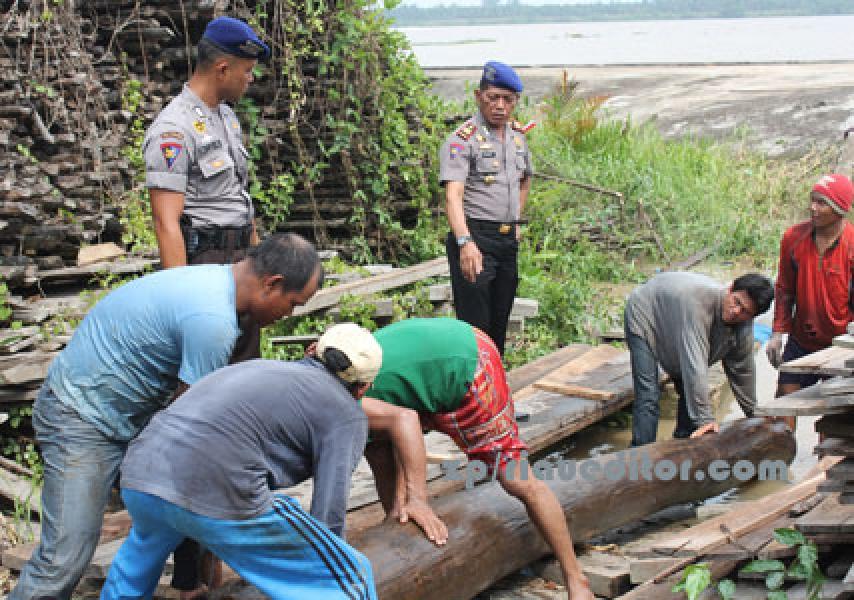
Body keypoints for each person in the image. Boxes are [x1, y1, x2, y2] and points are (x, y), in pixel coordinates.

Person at [8, 233, 322, 600]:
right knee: (64, 557)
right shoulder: (213, 321)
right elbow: (192, 432)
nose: (290, 314)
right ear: (273, 284)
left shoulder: (213, 281)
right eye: (293, 304)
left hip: (118, 410)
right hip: (80, 417)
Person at [99, 324, 382, 600]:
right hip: (215, 485)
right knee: (351, 577)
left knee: (136, 566)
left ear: (311, 351)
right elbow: (328, 515)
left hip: (141, 473)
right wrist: (326, 566)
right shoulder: (347, 415)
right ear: (363, 388)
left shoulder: (256, 367)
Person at [362, 318, 593, 600]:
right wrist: (397, 520)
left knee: (517, 480)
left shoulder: (344, 402)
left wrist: (418, 501)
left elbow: (406, 423)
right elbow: (383, 460)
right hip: (435, 353)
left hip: (467, 365)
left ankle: (575, 578)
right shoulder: (333, 392)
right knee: (378, 450)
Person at [143, 15, 270, 366]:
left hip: (241, 258)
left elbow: (239, 195)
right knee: (209, 370)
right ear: (222, 68)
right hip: (206, 262)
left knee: (244, 362)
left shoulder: (227, 117)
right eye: (246, 71)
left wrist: (258, 260)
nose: (250, 78)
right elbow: (166, 221)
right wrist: (180, 299)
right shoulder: (173, 129)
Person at [440, 61, 533, 356]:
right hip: (476, 238)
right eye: (493, 98)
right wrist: (465, 242)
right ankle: (473, 392)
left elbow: (525, 179)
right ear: (479, 96)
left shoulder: (517, 137)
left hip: (507, 240)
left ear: (515, 102)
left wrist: (516, 223)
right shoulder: (462, 139)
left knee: (500, 321)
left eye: (508, 99)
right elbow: (453, 196)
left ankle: (495, 388)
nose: (500, 106)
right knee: (474, 326)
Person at [624, 272, 774, 446]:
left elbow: (743, 371)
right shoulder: (699, 304)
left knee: (689, 394)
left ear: (753, 317)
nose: (735, 312)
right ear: (731, 288)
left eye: (745, 312)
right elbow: (695, 366)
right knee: (648, 394)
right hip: (645, 312)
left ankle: (682, 444)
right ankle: (639, 454)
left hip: (676, 322)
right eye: (736, 302)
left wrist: (754, 413)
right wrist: (706, 421)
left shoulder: (744, 327)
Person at [766, 174, 854, 428]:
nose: (812, 208)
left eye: (821, 203)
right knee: (783, 409)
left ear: (838, 210)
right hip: (801, 340)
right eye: (812, 200)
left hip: (840, 347)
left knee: (835, 422)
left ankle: (825, 468)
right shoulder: (793, 238)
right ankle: (779, 465)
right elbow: (784, 288)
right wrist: (777, 332)